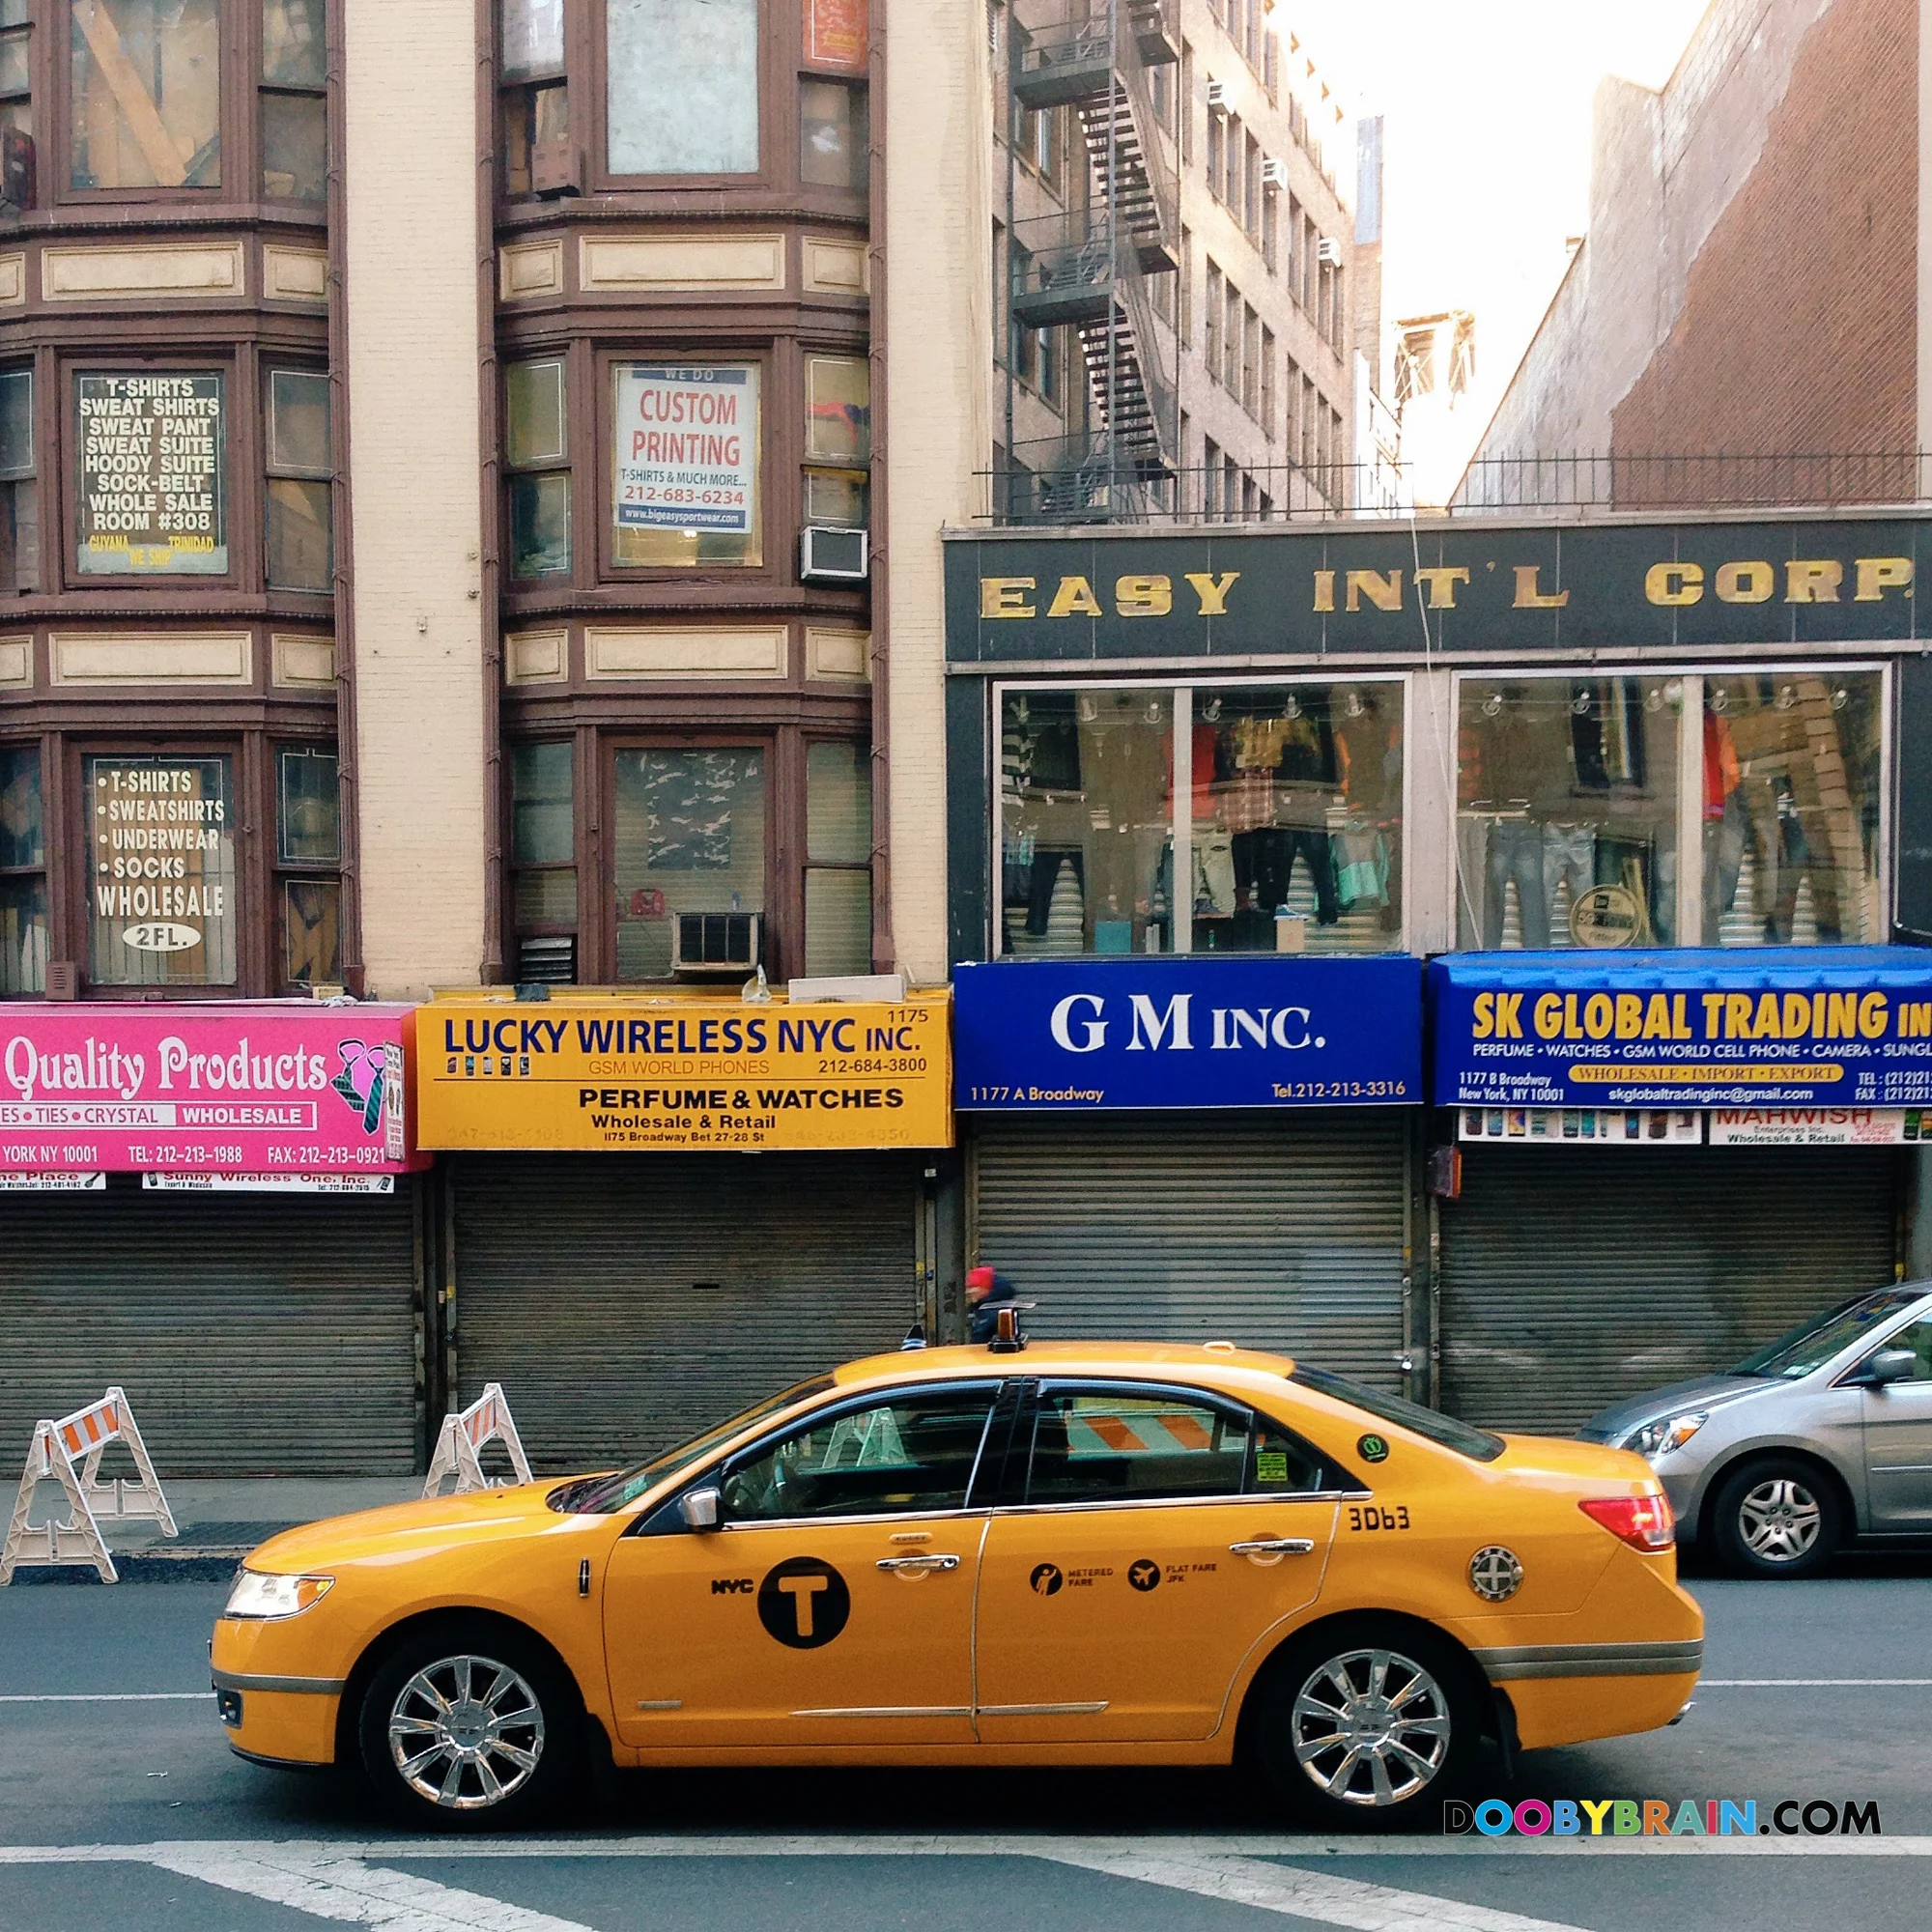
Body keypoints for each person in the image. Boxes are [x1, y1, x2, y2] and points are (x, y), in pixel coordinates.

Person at [966, 1264, 1019, 1344]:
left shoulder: (994, 1312)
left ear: (985, 1287)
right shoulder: (986, 1307)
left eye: (973, 1287)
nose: (968, 1292)